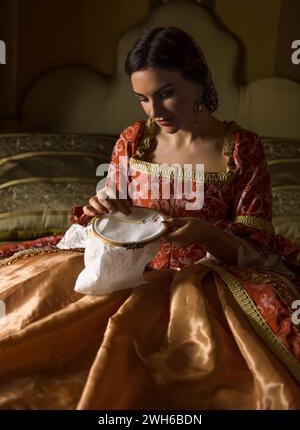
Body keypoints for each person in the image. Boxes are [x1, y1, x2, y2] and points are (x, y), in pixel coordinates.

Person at [0, 27, 300, 410]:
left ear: (198, 81)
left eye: (166, 93)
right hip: (127, 271)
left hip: (207, 280)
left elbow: (259, 248)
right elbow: (114, 214)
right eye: (142, 99)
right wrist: (100, 210)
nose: (154, 111)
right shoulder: (133, 140)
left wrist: (206, 234)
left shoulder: (241, 148)